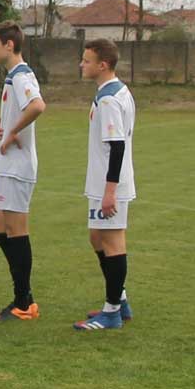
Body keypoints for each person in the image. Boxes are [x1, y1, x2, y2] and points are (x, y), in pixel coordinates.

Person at [0, 21, 47, 322]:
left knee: (16, 233)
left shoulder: (21, 75)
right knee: (0, 231)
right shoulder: (13, 76)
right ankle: (25, 296)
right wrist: (6, 126)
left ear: (9, 45)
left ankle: (23, 302)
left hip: (18, 166)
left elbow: (37, 106)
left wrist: (12, 132)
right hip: (9, 164)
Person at [74, 39, 136, 331]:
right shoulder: (114, 91)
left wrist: (110, 191)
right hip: (103, 182)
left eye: (86, 61)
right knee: (97, 237)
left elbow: (117, 146)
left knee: (112, 241)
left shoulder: (110, 98)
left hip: (110, 184)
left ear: (102, 65)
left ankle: (111, 312)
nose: (81, 65)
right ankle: (119, 300)